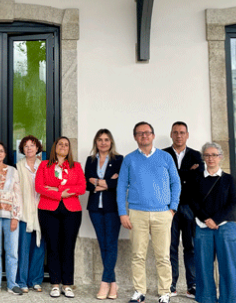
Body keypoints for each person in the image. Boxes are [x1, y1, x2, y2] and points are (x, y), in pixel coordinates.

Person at [116, 122, 181, 303]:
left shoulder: (166, 157)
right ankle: (139, 291)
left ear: (153, 136)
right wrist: (123, 212)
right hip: (137, 213)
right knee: (138, 255)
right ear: (135, 137)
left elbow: (175, 183)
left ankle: (165, 292)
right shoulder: (129, 159)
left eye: (147, 133)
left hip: (162, 214)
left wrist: (172, 207)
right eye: (140, 133)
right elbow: (121, 187)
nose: (144, 136)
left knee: (163, 256)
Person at [35, 136, 86, 298]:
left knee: (68, 247)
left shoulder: (76, 166)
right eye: (60, 144)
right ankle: (55, 284)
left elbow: (82, 187)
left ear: (69, 149)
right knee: (53, 247)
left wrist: (57, 188)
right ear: (54, 147)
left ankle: (67, 284)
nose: (63, 146)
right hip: (48, 210)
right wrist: (59, 193)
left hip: (71, 211)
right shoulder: (44, 165)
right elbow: (39, 186)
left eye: (66, 145)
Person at [191, 142, 236, 303]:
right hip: (202, 227)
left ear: (220, 157)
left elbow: (233, 202)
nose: (210, 158)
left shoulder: (229, 179)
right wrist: (206, 219)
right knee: (203, 265)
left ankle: (229, 299)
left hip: (226, 226)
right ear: (203, 158)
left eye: (214, 155)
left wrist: (215, 220)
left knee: (228, 266)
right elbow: (193, 202)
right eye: (207, 155)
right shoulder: (197, 178)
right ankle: (206, 298)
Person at [162, 122, 203, 298]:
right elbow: (162, 179)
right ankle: (171, 284)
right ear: (171, 134)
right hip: (168, 207)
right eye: (175, 132)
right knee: (169, 246)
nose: (179, 136)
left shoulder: (196, 155)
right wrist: (188, 172)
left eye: (182, 133)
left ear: (187, 135)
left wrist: (178, 173)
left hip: (189, 207)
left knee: (190, 246)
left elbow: (199, 180)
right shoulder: (163, 154)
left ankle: (192, 285)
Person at [85, 129, 124, 300]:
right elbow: (86, 182)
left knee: (111, 243)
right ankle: (113, 283)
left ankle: (104, 283)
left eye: (106, 139)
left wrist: (98, 182)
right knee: (103, 243)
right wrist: (107, 182)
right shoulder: (90, 160)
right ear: (96, 142)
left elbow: (120, 182)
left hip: (112, 208)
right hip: (95, 208)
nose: (103, 143)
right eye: (100, 140)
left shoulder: (118, 160)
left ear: (111, 142)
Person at [0, 141, 23, 295]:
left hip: (10, 216)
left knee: (12, 251)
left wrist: (16, 217)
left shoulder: (13, 171)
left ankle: (12, 284)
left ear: (6, 154)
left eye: (1, 151)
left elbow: (18, 194)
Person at [16, 135, 45, 293]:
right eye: (26, 146)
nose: (29, 148)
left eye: (32, 145)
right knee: (24, 248)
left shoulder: (45, 166)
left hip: (42, 212)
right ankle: (22, 281)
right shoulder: (18, 166)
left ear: (37, 148)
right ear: (22, 149)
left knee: (39, 247)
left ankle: (36, 280)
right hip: (24, 213)